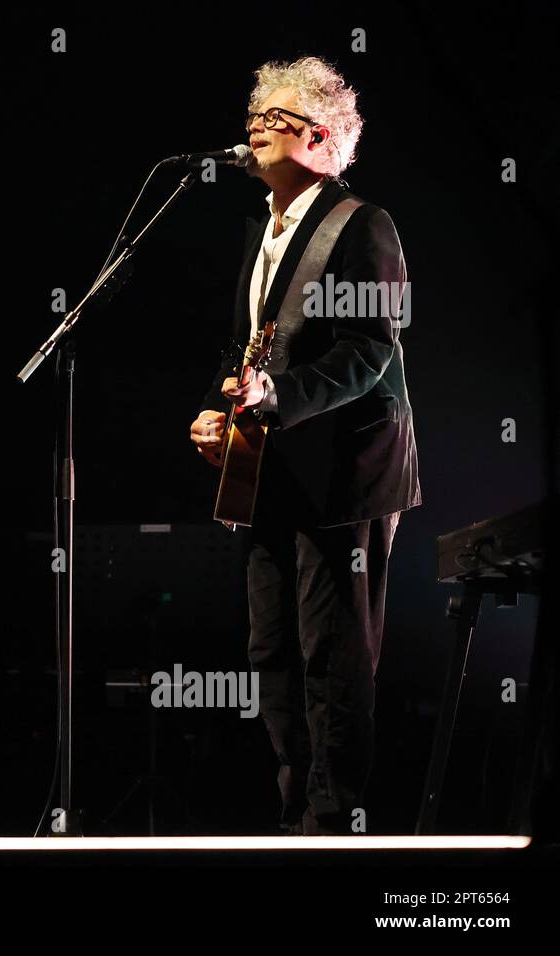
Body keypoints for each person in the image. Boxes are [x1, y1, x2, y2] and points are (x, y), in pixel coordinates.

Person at [188, 56, 421, 835]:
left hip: (344, 475)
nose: (252, 127)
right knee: (272, 654)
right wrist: (219, 410)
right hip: (269, 473)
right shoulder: (265, 230)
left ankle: (336, 821)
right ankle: (294, 816)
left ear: (321, 137)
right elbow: (247, 350)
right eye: (253, 114)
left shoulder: (364, 225)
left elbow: (368, 351)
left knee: (333, 655)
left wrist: (277, 397)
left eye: (272, 118)